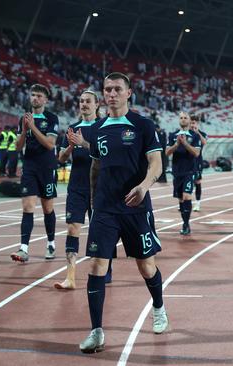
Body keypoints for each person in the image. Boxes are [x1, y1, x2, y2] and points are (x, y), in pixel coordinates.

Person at [79, 72, 168, 353]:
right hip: (105, 208)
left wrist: (144, 186)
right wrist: (93, 203)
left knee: (146, 266)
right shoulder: (97, 128)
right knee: (96, 265)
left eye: (118, 89)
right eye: (107, 89)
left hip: (136, 207)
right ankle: (96, 332)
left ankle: (159, 307)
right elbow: (95, 167)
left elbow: (157, 164)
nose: (112, 94)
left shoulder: (143, 125)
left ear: (129, 92)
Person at [54, 90, 108, 290]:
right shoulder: (72, 128)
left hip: (99, 187)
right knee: (72, 228)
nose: (84, 104)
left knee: (99, 230)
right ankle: (71, 277)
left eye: (88, 101)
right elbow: (60, 159)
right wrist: (69, 147)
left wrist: (83, 144)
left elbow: (105, 155)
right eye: (81, 101)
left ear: (97, 105)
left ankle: (104, 269)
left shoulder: (103, 127)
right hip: (76, 187)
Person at [10, 84, 60, 263]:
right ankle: (23, 248)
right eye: (33, 95)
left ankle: (51, 243)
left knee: (47, 208)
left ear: (45, 100)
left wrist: (33, 127)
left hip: (47, 168)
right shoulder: (23, 119)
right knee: (28, 207)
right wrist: (24, 129)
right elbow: (17, 146)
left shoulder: (52, 118)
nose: (35, 98)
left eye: (39, 96)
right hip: (29, 167)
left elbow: (49, 144)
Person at [165, 111, 201, 235]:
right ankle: (185, 221)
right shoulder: (173, 135)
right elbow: (167, 152)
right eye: (181, 118)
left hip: (189, 171)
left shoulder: (194, 136)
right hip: (177, 172)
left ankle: (186, 224)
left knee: (187, 196)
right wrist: (176, 144)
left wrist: (185, 144)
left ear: (190, 120)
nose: (183, 120)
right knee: (180, 199)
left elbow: (196, 153)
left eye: (185, 118)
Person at [190, 115, 207, 212]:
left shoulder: (202, 134)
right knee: (186, 180)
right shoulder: (186, 134)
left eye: (194, 123)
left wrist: (197, 133)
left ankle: (197, 203)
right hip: (187, 161)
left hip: (197, 162)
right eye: (191, 123)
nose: (192, 125)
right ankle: (184, 201)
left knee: (197, 182)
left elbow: (204, 143)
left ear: (197, 124)